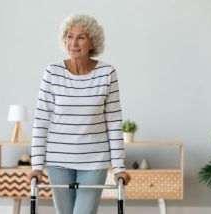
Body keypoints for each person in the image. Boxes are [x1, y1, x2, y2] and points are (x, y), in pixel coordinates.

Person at [29, 14, 131, 214]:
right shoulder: (52, 72)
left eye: (81, 37)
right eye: (69, 36)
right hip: (58, 161)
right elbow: (41, 121)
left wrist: (119, 167)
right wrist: (37, 165)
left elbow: (113, 122)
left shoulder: (107, 73)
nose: (73, 43)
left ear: (93, 42)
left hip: (94, 161)